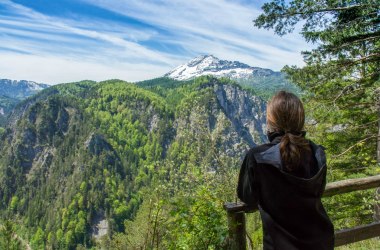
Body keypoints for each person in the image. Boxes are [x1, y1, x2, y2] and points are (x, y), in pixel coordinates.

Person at [237, 91, 334, 250]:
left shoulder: (258, 157)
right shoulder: (317, 153)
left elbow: (247, 197)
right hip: (321, 241)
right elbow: (319, 191)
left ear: (270, 121)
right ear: (300, 120)